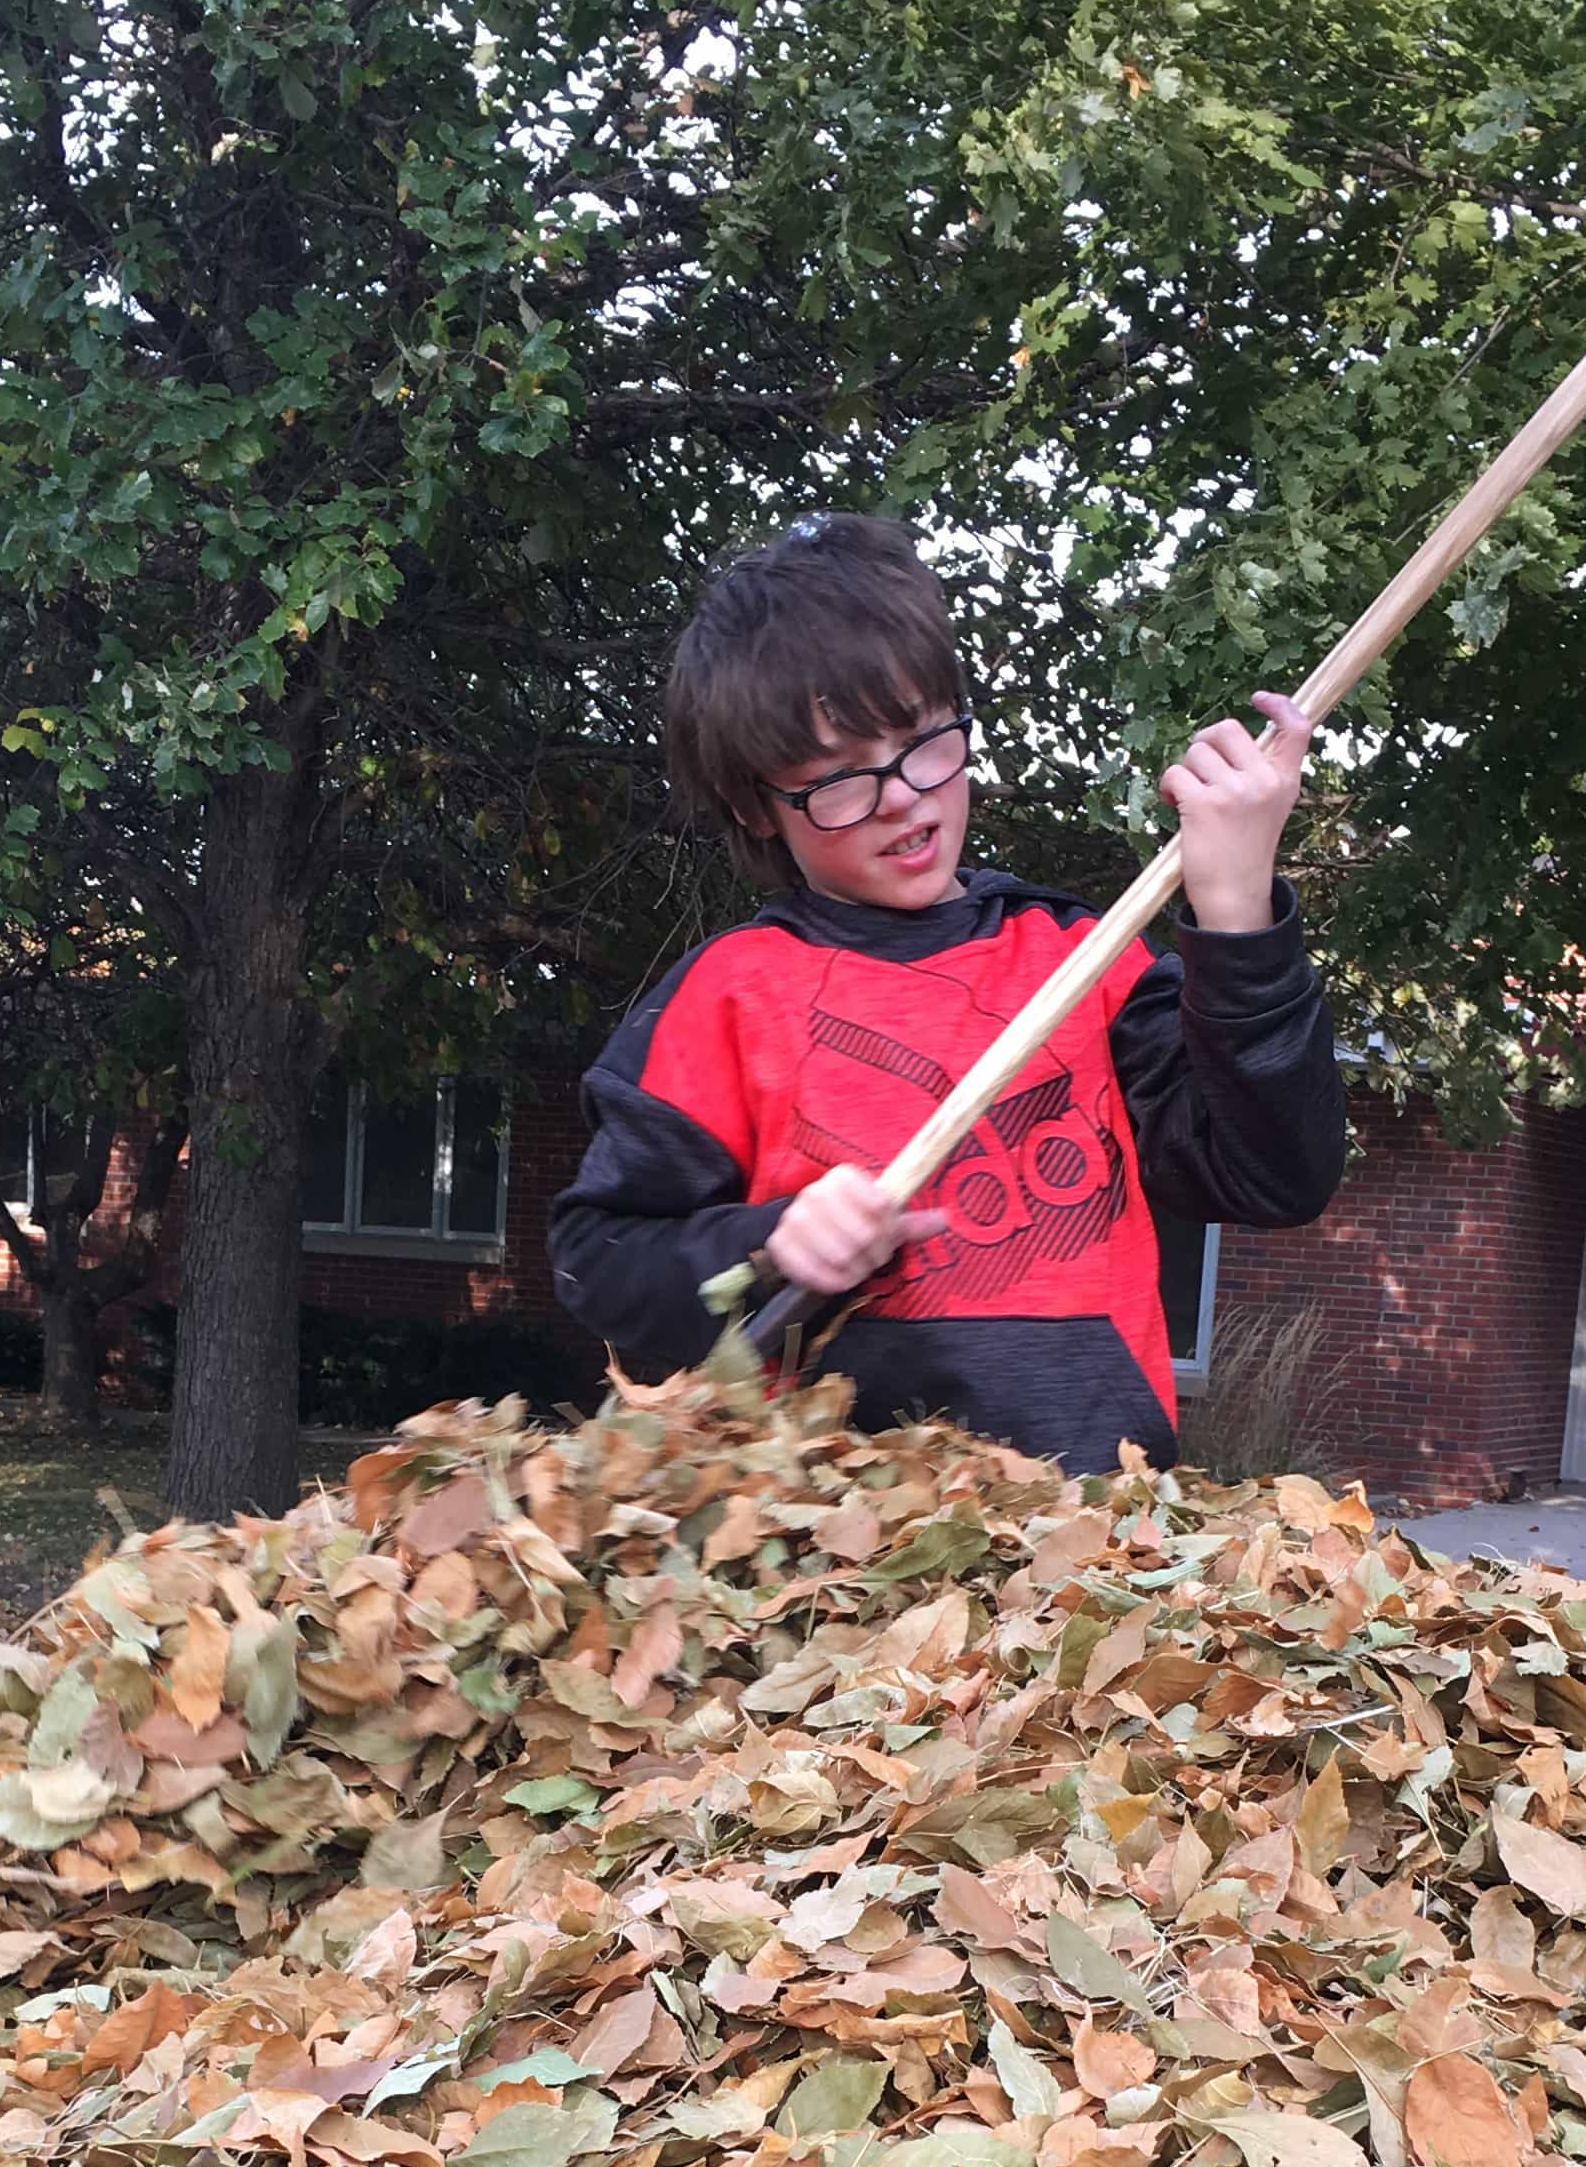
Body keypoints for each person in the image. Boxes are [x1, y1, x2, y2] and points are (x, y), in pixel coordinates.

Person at [551, 511, 1347, 1476]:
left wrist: (1238, 912)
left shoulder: (1079, 962)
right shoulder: (728, 997)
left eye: (925, 742)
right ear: (756, 805)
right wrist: (770, 1242)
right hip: (833, 1561)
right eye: (839, 779)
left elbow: (1276, 1176)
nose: (903, 797)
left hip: (1097, 1546)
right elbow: (594, 1257)